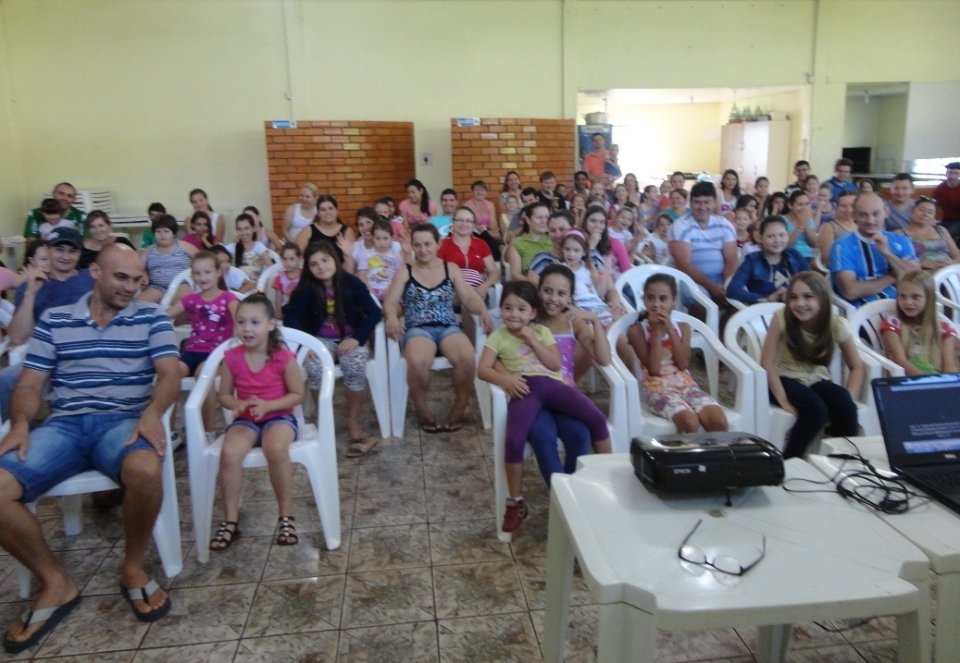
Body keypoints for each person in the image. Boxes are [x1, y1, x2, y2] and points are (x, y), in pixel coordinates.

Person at [0, 245, 180, 652]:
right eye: (121, 277)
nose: (131, 287)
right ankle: (55, 581)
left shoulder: (151, 316)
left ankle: (132, 567)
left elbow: (170, 372)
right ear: (95, 271)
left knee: (146, 470)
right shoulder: (56, 319)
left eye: (138, 280)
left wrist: (153, 411)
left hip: (122, 421)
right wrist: (22, 423)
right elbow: (30, 383)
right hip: (64, 426)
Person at [477, 280, 611, 533]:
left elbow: (553, 364)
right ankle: (516, 502)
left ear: (532, 313)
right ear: (501, 309)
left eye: (521, 309)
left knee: (595, 420)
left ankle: (606, 481)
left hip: (552, 386)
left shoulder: (541, 332)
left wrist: (532, 340)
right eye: (508, 308)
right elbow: (482, 369)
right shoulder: (498, 335)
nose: (514, 314)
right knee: (515, 441)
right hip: (525, 391)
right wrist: (505, 379)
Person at [211, 294, 304, 551]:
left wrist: (269, 406)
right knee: (229, 453)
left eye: (255, 322)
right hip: (247, 419)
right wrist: (236, 405)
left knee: (275, 448)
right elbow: (225, 395)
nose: (247, 328)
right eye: (241, 322)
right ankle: (231, 518)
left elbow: (298, 394)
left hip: (280, 416)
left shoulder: (283, 357)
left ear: (271, 324)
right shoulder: (232, 357)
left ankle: (286, 514)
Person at [383, 224, 492, 433]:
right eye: (418, 245)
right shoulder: (405, 271)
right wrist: (391, 317)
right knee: (417, 361)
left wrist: (483, 311)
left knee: (467, 357)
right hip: (418, 328)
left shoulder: (450, 268)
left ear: (437, 244)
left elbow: (468, 296)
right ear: (412, 247)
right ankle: (422, 408)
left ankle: (460, 406)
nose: (423, 250)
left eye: (427, 244)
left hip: (448, 327)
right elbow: (390, 301)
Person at [284, 241, 382, 454]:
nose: (321, 267)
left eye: (325, 260)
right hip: (319, 340)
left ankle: (352, 420)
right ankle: (322, 416)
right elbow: (290, 318)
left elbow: (375, 313)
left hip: (350, 338)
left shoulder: (352, 283)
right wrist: (305, 344)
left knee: (355, 365)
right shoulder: (305, 289)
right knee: (315, 367)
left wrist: (357, 338)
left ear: (334, 260)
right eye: (314, 264)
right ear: (308, 268)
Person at [760, 272, 863, 458]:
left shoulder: (836, 324)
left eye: (808, 296)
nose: (800, 303)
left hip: (815, 378)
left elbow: (857, 366)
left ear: (822, 299)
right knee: (816, 410)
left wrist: (850, 398)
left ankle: (842, 461)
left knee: (844, 404)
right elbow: (766, 362)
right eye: (793, 297)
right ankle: (790, 461)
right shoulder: (782, 317)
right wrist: (783, 399)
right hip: (782, 378)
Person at [627, 273, 728, 433]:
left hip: (685, 384)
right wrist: (656, 333)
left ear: (673, 300)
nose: (656, 304)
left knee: (718, 420)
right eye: (650, 298)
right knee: (689, 422)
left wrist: (671, 332)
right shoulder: (637, 330)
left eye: (663, 299)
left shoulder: (683, 328)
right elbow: (654, 369)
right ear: (644, 300)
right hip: (657, 388)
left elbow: (683, 364)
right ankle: (687, 456)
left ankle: (712, 455)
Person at [165, 250, 239, 431]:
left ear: (218, 273)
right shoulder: (191, 299)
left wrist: (235, 348)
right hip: (192, 352)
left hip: (218, 354)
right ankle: (169, 431)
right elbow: (166, 315)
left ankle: (208, 431)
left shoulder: (228, 298)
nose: (202, 277)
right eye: (197, 273)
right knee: (171, 373)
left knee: (203, 373)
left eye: (207, 272)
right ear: (192, 275)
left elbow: (241, 320)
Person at [831, 192, 919, 307]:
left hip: (905, 308)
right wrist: (894, 275)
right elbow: (850, 291)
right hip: (864, 315)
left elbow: (916, 278)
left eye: (876, 214)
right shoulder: (842, 246)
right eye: (863, 215)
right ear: (854, 216)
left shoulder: (901, 240)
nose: (870, 220)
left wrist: (887, 253)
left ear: (886, 212)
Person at [668, 181, 737, 307]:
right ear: (691, 203)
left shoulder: (725, 225)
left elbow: (731, 260)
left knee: (737, 303)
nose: (702, 207)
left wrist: (727, 286)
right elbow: (684, 265)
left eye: (706, 202)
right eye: (697, 202)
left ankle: (722, 327)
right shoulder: (680, 226)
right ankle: (698, 327)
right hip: (691, 281)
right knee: (702, 305)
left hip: (722, 280)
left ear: (715, 203)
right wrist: (712, 287)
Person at [881, 271, 958, 375]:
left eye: (915, 297)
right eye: (902, 296)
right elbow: (901, 361)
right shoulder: (892, 324)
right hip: (908, 383)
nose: (908, 302)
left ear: (929, 298)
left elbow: (949, 366)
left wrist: (948, 385)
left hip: (939, 382)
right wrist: (927, 381)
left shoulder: (944, 328)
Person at [727, 216, 809, 305]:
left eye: (782, 235)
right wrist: (768, 298)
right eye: (770, 236)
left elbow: (811, 281)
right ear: (760, 238)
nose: (777, 240)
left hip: (795, 309)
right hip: (764, 312)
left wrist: (793, 294)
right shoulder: (752, 260)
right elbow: (732, 290)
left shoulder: (794, 255)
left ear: (787, 236)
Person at [437, 206, 499, 302]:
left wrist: (484, 287)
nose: (464, 224)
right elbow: (437, 271)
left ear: (473, 224)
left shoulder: (481, 244)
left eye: (468, 221)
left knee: (471, 299)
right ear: (453, 222)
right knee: (467, 298)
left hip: (479, 291)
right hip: (453, 292)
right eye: (460, 220)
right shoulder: (443, 245)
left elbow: (494, 272)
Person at [139, 215, 197, 304]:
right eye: (158, 232)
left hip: (181, 284)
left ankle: (171, 316)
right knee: (139, 303)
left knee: (183, 298)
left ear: (173, 233)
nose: (162, 235)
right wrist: (144, 274)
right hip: (157, 286)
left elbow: (202, 260)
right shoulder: (150, 250)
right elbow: (137, 268)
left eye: (166, 231)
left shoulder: (184, 246)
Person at [294, 194, 357, 270]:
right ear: (318, 213)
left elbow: (351, 262)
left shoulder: (347, 231)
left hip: (340, 277)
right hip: (315, 276)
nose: (327, 212)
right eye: (323, 209)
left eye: (330, 208)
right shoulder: (308, 231)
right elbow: (294, 255)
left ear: (337, 211)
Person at [899, 196, 960, 271]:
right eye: (922, 210)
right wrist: (921, 264)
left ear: (934, 216)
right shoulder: (900, 234)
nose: (925, 214)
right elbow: (896, 262)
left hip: (947, 273)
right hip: (920, 276)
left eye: (930, 212)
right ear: (912, 211)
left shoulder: (941, 230)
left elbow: (957, 254)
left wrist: (952, 263)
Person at [581, 205, 631, 280]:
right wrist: (591, 247)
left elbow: (628, 271)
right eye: (593, 221)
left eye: (602, 222)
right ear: (585, 221)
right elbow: (582, 269)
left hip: (615, 283)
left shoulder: (614, 242)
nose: (597, 225)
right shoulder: (578, 241)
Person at [358, 218, 403, 301]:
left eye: (385, 238)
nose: (382, 242)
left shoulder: (395, 256)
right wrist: (369, 289)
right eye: (378, 238)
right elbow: (361, 275)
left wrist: (392, 288)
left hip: (390, 290)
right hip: (370, 289)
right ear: (372, 237)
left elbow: (399, 275)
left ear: (392, 238)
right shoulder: (366, 254)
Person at [505, 202, 553, 278]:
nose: (544, 221)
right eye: (539, 217)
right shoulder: (518, 243)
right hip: (530, 286)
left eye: (547, 217)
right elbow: (515, 274)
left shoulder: (554, 238)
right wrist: (535, 285)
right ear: (528, 220)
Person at [227, 213, 273, 280]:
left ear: (253, 228)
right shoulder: (231, 248)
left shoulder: (259, 247)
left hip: (255, 286)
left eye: (247, 228)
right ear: (236, 231)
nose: (244, 232)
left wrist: (260, 276)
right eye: (240, 229)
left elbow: (271, 269)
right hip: (235, 286)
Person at [817, 190, 857, 263]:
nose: (848, 209)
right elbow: (826, 257)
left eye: (852, 206)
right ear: (836, 207)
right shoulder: (829, 227)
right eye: (843, 206)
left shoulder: (859, 226)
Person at [464, 180, 501, 258]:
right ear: (472, 192)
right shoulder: (467, 205)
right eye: (476, 190)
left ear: (485, 192)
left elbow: (493, 222)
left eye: (482, 190)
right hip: (473, 232)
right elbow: (467, 222)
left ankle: (492, 257)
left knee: (495, 235)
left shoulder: (490, 205)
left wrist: (492, 230)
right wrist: (478, 227)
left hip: (486, 232)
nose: (479, 192)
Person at [783, 191, 818, 266]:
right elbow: (785, 245)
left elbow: (814, 244)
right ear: (790, 205)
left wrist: (805, 224)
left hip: (809, 256)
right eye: (800, 204)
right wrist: (799, 227)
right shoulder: (781, 220)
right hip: (790, 256)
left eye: (806, 204)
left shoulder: (809, 219)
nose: (804, 208)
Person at [270, 243, 302, 311]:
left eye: (292, 259)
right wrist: (278, 312)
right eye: (285, 259)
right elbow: (278, 297)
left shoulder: (304, 275)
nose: (288, 262)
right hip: (287, 308)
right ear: (281, 259)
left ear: (299, 258)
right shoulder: (280, 277)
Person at [934, 161, 960, 242]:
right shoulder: (940, 188)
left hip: (958, 220)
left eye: (955, 173)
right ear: (946, 173)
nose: (952, 176)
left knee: (947, 235)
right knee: (935, 232)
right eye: (950, 172)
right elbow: (934, 205)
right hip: (946, 219)